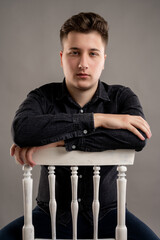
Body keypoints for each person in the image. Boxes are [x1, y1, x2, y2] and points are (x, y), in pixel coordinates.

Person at [0, 12, 159, 240]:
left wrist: (58, 141)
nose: (83, 63)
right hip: (49, 215)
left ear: (104, 59)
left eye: (93, 54)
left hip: (110, 216)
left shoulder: (122, 97)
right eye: (74, 53)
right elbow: (22, 130)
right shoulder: (42, 96)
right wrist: (99, 119)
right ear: (62, 57)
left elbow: (138, 138)